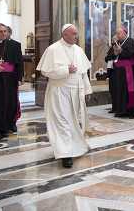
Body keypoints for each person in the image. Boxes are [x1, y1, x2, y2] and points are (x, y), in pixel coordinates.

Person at [36, 24, 92, 168]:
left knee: (74, 121)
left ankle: (76, 146)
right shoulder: (53, 49)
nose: (76, 36)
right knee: (62, 122)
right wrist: (65, 69)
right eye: (73, 34)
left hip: (75, 92)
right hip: (59, 92)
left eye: (76, 34)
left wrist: (87, 90)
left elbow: (83, 72)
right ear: (64, 34)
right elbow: (46, 72)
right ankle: (65, 154)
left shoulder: (78, 50)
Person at [110, 26, 134, 118]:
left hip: (129, 71)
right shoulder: (118, 43)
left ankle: (132, 111)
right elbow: (114, 55)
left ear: (124, 33)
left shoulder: (131, 41)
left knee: (130, 91)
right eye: (116, 33)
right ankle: (122, 110)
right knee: (121, 90)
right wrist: (115, 53)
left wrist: (121, 51)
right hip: (120, 71)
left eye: (118, 33)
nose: (117, 35)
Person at [6, 25, 23, 132]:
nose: (4, 34)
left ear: (10, 33)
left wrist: (20, 77)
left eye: (6, 31)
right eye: (1, 31)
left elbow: (19, 63)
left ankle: (13, 123)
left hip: (12, 77)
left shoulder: (15, 45)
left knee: (13, 101)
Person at [105, 36, 118, 113]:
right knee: (112, 90)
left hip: (116, 71)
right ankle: (113, 107)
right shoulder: (111, 48)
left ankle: (117, 108)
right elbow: (106, 58)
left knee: (116, 91)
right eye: (112, 40)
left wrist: (111, 56)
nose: (113, 41)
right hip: (111, 72)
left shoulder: (118, 47)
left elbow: (115, 56)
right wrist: (110, 56)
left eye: (114, 40)